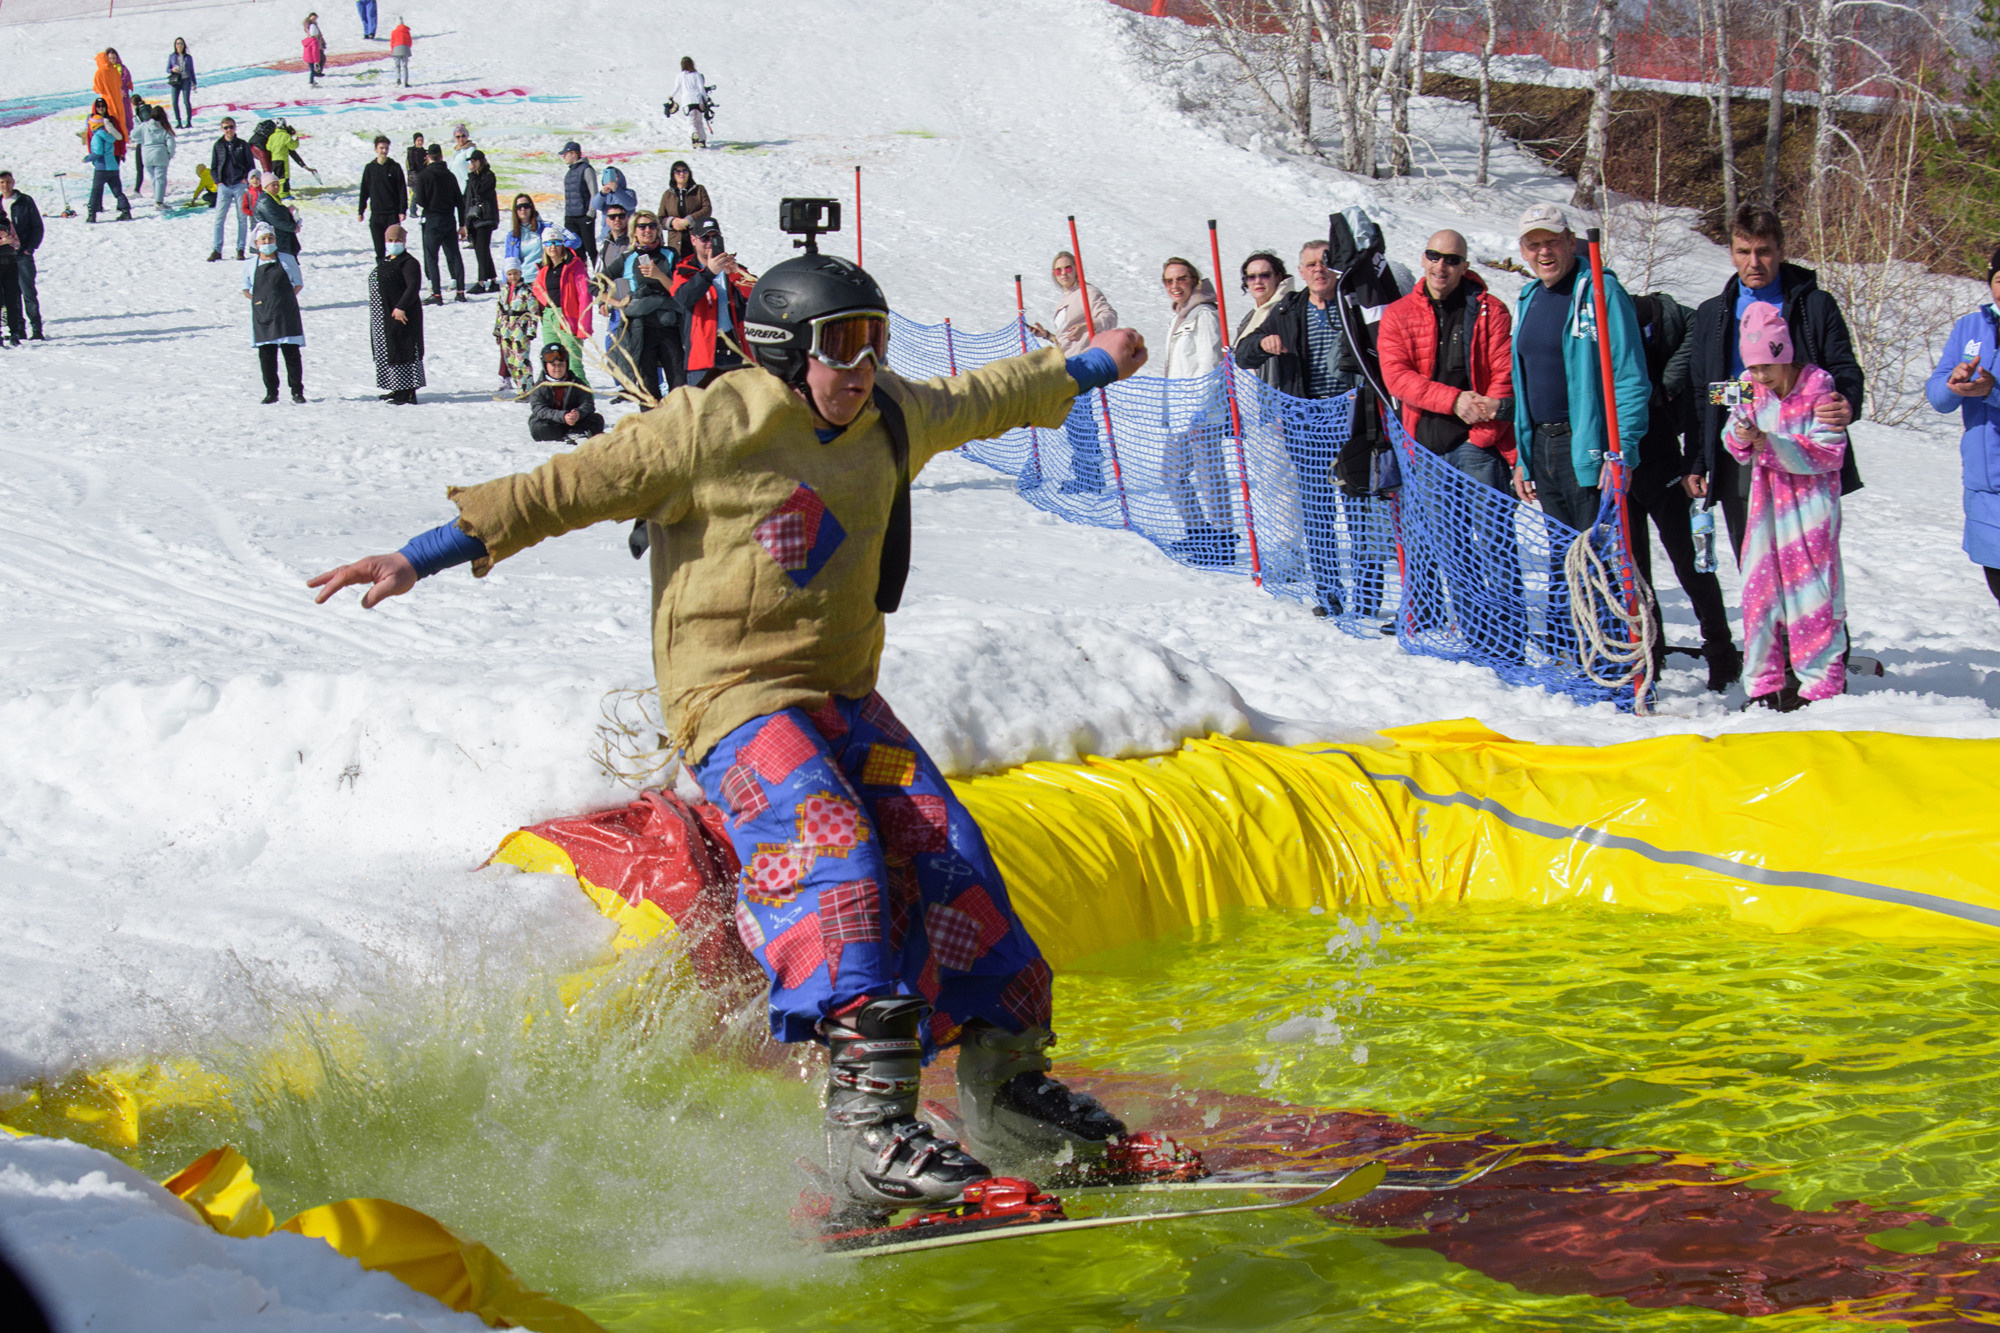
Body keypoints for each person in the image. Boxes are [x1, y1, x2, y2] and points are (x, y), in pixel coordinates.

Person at [307, 253, 1150, 1224]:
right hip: (735, 699)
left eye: (876, 341)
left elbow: (985, 396)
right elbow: (561, 488)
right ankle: (869, 1131)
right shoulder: (708, 427)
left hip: (840, 695)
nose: (863, 366)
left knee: (952, 849)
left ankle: (1006, 1094)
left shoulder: (887, 415)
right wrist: (418, 556)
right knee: (830, 842)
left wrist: (1092, 364)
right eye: (842, 345)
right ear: (788, 351)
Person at [1684, 204, 1863, 563]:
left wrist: (1846, 401)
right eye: (1743, 251)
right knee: (1756, 567)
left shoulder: (1814, 306)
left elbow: (1844, 367)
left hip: (1803, 452)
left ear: (1781, 250)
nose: (1754, 262)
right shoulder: (1713, 313)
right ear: (1731, 253)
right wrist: (1697, 460)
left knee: (1808, 569)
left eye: (1764, 251)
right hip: (1741, 452)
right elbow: (1704, 393)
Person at [1378, 229, 1524, 647]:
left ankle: (1508, 639)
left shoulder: (1490, 310)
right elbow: (1398, 377)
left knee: (1495, 542)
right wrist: (1454, 400)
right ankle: (1477, 634)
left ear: (1465, 265)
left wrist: (1484, 435)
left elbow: (1504, 377)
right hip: (1427, 447)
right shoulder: (1399, 314)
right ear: (1423, 259)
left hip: (1476, 445)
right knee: (1451, 545)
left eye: (1452, 259)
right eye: (1434, 256)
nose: (1441, 265)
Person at [1723, 303, 1850, 709]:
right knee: (1759, 593)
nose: (1760, 376)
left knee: (1811, 595)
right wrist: (1742, 434)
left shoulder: (1818, 385)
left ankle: (1820, 687)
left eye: (1767, 367)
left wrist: (1771, 444)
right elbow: (1733, 440)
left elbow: (1830, 451)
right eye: (1754, 367)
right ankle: (1763, 685)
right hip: (1765, 505)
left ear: (1785, 355)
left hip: (1810, 509)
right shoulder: (1747, 385)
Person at [1231, 240, 1366, 616]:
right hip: (1306, 429)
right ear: (1302, 272)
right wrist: (1263, 342)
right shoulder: (1289, 310)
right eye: (1311, 264)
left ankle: (1368, 598)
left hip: (1354, 425)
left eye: (1325, 262)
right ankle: (1329, 596)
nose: (1318, 269)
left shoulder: (1354, 305)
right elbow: (1243, 354)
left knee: (1359, 514)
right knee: (1318, 515)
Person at [1509, 203, 1648, 532]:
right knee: (1561, 556)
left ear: (1571, 241)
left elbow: (1630, 378)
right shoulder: (1528, 297)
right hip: (1542, 447)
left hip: (1588, 445)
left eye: (1552, 241)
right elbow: (1524, 382)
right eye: (1534, 244)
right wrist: (1524, 457)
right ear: (1523, 251)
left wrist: (1622, 451)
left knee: (1594, 554)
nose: (1544, 252)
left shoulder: (1602, 291)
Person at [1637, 291, 1741, 690]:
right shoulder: (1575, 322)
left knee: (1689, 560)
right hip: (1616, 463)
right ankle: (1650, 650)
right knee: (1634, 568)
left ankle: (1720, 650)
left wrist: (1667, 383)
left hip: (1660, 454)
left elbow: (1695, 322)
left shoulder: (1630, 308)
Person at [1924, 244, 2000, 611]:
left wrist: (1992, 391)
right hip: (1984, 486)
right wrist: (1954, 383)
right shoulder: (1970, 327)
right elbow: (1938, 398)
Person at [1158, 257, 1234, 566]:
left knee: (1208, 475)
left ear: (1195, 281)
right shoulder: (1179, 316)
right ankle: (1199, 531)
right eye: (1169, 280)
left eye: (1182, 279)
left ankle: (1223, 538)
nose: (1175, 285)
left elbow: (1211, 363)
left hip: (1202, 413)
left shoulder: (1204, 315)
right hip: (1180, 412)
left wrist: (1198, 410)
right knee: (1171, 473)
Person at [1028, 250, 1116, 495]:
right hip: (1069, 366)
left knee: (1082, 422)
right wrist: (1048, 335)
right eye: (1058, 270)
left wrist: (1089, 325)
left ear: (1077, 269)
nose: (1064, 273)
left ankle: (1091, 478)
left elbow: (1110, 317)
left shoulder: (1088, 292)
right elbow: (1069, 339)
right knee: (1076, 422)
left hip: (1084, 366)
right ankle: (1087, 476)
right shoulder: (1066, 298)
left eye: (1068, 267)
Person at [670, 217, 751, 386]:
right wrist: (708, 273)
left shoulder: (733, 269)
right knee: (704, 402)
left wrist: (735, 274)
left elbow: (756, 296)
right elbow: (683, 298)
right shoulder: (684, 270)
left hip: (736, 352)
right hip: (702, 357)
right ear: (693, 240)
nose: (710, 243)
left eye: (715, 237)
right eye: (704, 238)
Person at [617, 210, 684, 398]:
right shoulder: (628, 258)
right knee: (648, 388)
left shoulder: (669, 254)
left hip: (668, 325)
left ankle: (679, 416)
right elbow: (594, 283)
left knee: (678, 383)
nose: (648, 230)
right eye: (642, 226)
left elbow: (680, 292)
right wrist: (616, 302)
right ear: (634, 231)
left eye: (652, 226)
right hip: (641, 328)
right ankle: (651, 417)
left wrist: (659, 276)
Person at [244, 221, 305, 403]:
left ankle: (297, 391)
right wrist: (260, 302)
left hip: (286, 312)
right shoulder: (250, 264)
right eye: (263, 239)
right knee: (267, 355)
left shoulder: (287, 259)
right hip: (263, 314)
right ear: (256, 244)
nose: (267, 241)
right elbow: (246, 289)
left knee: (291, 353)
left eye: (270, 238)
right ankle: (271, 392)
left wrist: (284, 299)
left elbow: (298, 283)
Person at [369, 222, 425, 404]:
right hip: (384, 316)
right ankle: (397, 387)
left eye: (397, 240)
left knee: (403, 350)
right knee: (390, 350)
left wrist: (401, 306)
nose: (394, 243)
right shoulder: (387, 261)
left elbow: (413, 286)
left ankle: (407, 392)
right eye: (390, 240)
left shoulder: (408, 263)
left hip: (401, 315)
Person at [533, 226, 593, 382]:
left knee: (573, 364)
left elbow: (585, 295)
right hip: (550, 317)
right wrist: (547, 302)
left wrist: (584, 326)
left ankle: (584, 395)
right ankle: (557, 395)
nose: (552, 247)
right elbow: (537, 288)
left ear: (562, 244)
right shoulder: (544, 268)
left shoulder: (574, 264)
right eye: (548, 243)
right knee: (552, 362)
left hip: (569, 317)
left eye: (556, 243)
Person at [411, 143, 465, 303]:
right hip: (448, 218)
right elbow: (460, 201)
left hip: (432, 219)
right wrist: (462, 224)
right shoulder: (450, 176)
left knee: (432, 257)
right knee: (454, 255)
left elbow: (420, 200)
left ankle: (437, 294)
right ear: (441, 156)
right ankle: (460, 291)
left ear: (428, 157)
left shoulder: (424, 176)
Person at [0, 173, 46, 341]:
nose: (5, 185)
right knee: (12, 295)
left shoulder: (25, 201)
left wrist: (30, 248)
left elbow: (37, 226)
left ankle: (36, 328)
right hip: (4, 257)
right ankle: (18, 329)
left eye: (8, 182)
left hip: (22, 255)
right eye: (2, 182)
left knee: (28, 293)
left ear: (13, 182)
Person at [526, 343, 605, 441]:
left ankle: (578, 432)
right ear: (545, 366)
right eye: (553, 365)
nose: (557, 368)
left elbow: (588, 403)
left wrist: (578, 413)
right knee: (539, 428)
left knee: (596, 419)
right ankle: (563, 434)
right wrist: (562, 416)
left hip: (575, 421)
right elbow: (539, 410)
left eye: (561, 365)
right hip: (552, 422)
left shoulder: (576, 383)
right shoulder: (539, 387)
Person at [207, 116, 253, 260]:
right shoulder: (218, 145)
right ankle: (217, 249)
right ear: (222, 129)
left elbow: (250, 164)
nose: (229, 130)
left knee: (242, 218)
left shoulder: (242, 144)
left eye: (231, 127)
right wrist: (218, 181)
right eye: (226, 128)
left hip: (239, 184)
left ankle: (240, 249)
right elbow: (214, 166)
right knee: (219, 219)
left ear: (235, 127)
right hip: (224, 185)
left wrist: (246, 178)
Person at [492, 255, 539, 396]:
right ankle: (519, 387)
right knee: (510, 359)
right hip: (506, 327)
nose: (513, 277)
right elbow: (499, 310)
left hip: (520, 327)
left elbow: (533, 311)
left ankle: (527, 389)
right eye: (510, 274)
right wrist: (497, 330)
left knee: (521, 359)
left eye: (515, 273)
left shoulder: (526, 291)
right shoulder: (504, 290)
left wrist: (531, 330)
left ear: (520, 273)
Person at [357, 133, 405, 262]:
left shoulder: (395, 167)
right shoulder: (370, 168)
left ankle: (396, 272)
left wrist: (402, 210)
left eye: (386, 148)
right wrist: (361, 211)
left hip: (392, 214)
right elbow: (364, 191)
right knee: (379, 250)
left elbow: (402, 190)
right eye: (381, 148)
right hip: (376, 215)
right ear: (375, 149)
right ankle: (382, 271)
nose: (384, 151)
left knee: (394, 249)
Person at [84, 102, 133, 224]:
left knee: (96, 191)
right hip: (113, 167)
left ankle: (92, 214)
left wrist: (87, 158)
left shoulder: (97, 137)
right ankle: (126, 211)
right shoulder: (109, 136)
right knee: (117, 191)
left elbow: (98, 152)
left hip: (102, 168)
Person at [461, 149, 499, 293]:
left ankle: (481, 282)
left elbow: (479, 191)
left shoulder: (488, 176)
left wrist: (472, 175)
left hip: (486, 217)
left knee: (482, 248)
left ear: (481, 161)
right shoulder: (473, 178)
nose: (472, 164)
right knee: (480, 249)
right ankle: (493, 280)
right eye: (471, 161)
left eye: (474, 161)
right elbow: (467, 198)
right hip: (474, 218)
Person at [559, 140, 599, 267]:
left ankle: (599, 273)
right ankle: (581, 274)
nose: (564, 157)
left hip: (584, 216)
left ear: (574, 154)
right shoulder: (570, 172)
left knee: (590, 248)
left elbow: (594, 193)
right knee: (575, 250)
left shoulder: (586, 170)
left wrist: (590, 214)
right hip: (571, 217)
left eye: (566, 154)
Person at [656, 158, 710, 253]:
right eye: (678, 171)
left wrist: (688, 221)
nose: (682, 174)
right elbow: (660, 219)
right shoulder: (667, 195)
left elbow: (707, 209)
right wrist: (672, 222)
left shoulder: (699, 190)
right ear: (673, 175)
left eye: (685, 171)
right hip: (675, 243)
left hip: (698, 239)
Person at [91, 51, 131, 167]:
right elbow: (119, 83)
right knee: (119, 125)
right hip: (118, 102)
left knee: (108, 126)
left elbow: (98, 89)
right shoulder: (114, 70)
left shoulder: (99, 72)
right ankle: (121, 148)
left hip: (108, 102)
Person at [133, 106, 177, 209]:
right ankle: (159, 201)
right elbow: (171, 143)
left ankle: (156, 198)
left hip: (146, 154)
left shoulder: (144, 125)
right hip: (160, 154)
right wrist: (169, 155)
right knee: (160, 179)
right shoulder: (165, 127)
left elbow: (134, 134)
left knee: (153, 178)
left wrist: (142, 139)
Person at [253, 172, 300, 256]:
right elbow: (276, 220)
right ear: (266, 186)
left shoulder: (273, 198)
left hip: (280, 237)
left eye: (278, 185)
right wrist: (293, 227)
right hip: (272, 239)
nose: (276, 187)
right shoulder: (265, 201)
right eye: (273, 185)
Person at [264, 121, 311, 200]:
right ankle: (283, 194)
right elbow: (292, 146)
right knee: (284, 177)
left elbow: (268, 147)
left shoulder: (272, 136)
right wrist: (296, 140)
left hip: (274, 159)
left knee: (277, 176)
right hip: (282, 159)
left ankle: (278, 192)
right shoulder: (285, 135)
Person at [672, 56, 711, 149]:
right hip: (698, 100)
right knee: (699, 122)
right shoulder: (697, 75)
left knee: (691, 123)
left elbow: (677, 87)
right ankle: (702, 140)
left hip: (687, 101)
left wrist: (671, 96)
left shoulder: (680, 76)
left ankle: (694, 134)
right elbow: (701, 88)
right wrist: (706, 99)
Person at [592, 165, 636, 247]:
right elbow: (595, 205)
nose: (612, 179)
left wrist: (617, 191)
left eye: (616, 177)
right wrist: (602, 194)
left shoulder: (628, 192)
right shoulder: (605, 194)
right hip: (607, 234)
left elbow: (630, 205)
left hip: (626, 235)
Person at [503, 192, 543, 272]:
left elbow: (569, 240)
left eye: (526, 206)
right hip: (522, 276)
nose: (523, 209)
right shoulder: (512, 236)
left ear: (531, 208)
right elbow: (508, 262)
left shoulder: (544, 228)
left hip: (542, 276)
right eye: (519, 207)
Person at [0, 217, 22, 347]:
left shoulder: (7, 223)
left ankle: (15, 333)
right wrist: (2, 242)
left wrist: (10, 239)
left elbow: (17, 244)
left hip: (10, 264)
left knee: (12, 300)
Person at [166, 39, 196, 130]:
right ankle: (178, 121)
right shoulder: (172, 56)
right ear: (175, 45)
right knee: (174, 101)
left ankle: (189, 121)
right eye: (178, 43)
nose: (179, 45)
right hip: (176, 80)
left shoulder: (188, 57)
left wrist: (194, 82)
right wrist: (172, 70)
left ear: (184, 45)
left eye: (181, 43)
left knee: (186, 101)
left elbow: (191, 70)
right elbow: (167, 69)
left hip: (186, 80)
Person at [444, 123, 474, 193]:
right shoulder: (456, 151)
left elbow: (473, 167)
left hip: (465, 188)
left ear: (467, 136)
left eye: (463, 136)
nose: (461, 139)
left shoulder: (470, 149)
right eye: (458, 137)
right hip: (455, 188)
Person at [402, 132, 426, 212]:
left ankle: (418, 210)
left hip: (422, 176)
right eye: (418, 140)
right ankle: (412, 211)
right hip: (413, 177)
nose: (420, 142)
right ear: (415, 141)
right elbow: (410, 166)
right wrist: (414, 175)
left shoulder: (424, 152)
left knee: (422, 194)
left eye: (421, 140)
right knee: (415, 194)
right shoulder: (411, 151)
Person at [302, 14, 325, 86]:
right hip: (312, 58)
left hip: (308, 58)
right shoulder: (314, 40)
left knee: (313, 68)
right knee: (313, 70)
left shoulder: (307, 40)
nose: (314, 19)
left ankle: (315, 76)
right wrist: (316, 61)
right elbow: (314, 52)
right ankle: (312, 81)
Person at [388, 17, 413, 87]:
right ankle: (405, 82)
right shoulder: (407, 32)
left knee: (397, 66)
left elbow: (392, 42)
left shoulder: (394, 32)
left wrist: (392, 50)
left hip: (396, 49)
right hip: (405, 49)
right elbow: (410, 42)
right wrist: (407, 47)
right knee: (405, 66)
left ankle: (398, 79)